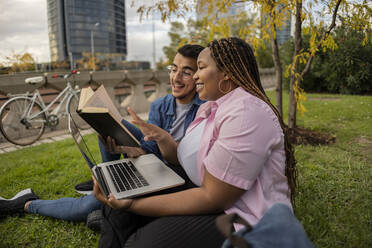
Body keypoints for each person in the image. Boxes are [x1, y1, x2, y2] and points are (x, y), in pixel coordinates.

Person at [93, 37, 298, 248]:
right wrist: (163, 137)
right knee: (119, 197)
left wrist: (135, 205)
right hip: (199, 187)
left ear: (226, 72)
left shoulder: (245, 114)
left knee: (140, 241)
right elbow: (181, 157)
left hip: (241, 216)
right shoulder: (210, 108)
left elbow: (213, 197)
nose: (196, 76)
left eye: (200, 68)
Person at [0, 44, 205, 225]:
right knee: (113, 124)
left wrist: (153, 145)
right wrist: (138, 150)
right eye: (173, 69)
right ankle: (107, 176)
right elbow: (150, 149)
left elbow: (181, 163)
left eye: (186, 72)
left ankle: (26, 204)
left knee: (85, 207)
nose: (176, 77)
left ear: (198, 76)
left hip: (172, 173)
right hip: (155, 162)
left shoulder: (205, 109)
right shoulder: (161, 105)